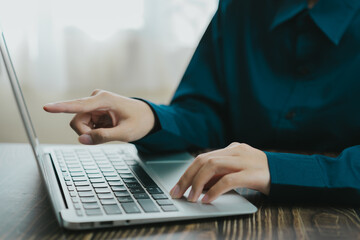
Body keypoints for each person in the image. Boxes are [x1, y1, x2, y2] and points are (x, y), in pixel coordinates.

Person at [44, 0, 360, 205]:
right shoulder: (239, 8)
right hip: (227, 202)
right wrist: (152, 117)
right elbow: (206, 113)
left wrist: (278, 168)